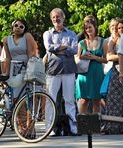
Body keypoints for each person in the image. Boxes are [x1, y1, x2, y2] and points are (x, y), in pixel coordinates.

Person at [43, 8, 78, 136]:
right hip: (53, 70)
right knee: (50, 100)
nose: (56, 19)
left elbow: (74, 50)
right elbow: (49, 47)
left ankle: (73, 127)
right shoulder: (47, 34)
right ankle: (49, 128)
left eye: (58, 17)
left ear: (63, 18)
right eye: (53, 17)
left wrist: (57, 49)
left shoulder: (71, 33)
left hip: (69, 70)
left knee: (69, 99)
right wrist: (64, 47)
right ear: (51, 19)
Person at [101, 18, 123, 135]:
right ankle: (110, 126)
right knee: (112, 100)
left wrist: (120, 56)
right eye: (118, 28)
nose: (120, 30)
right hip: (115, 72)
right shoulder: (114, 41)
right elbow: (109, 57)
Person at [75, 16, 108, 114]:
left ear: (95, 27)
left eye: (90, 27)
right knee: (83, 100)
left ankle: (95, 126)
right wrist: (84, 57)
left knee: (96, 101)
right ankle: (82, 125)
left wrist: (94, 57)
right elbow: (77, 58)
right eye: (86, 28)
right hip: (84, 74)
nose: (88, 29)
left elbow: (106, 59)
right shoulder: (81, 43)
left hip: (97, 72)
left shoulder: (103, 41)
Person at [3, 19, 37, 98]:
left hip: (26, 68)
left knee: (30, 95)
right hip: (14, 70)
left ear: (24, 29)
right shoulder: (6, 39)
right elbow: (8, 57)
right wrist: (7, 73)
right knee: (17, 97)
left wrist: (30, 70)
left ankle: (32, 111)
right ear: (12, 27)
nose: (18, 28)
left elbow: (31, 54)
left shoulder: (27, 36)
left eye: (21, 26)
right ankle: (19, 110)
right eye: (16, 25)